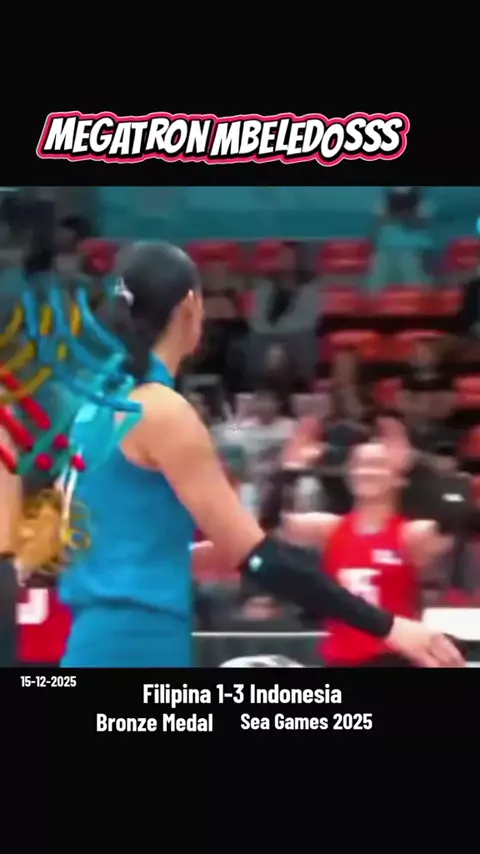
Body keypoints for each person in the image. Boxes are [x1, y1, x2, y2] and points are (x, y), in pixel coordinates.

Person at [8, 241, 463, 667]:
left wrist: (174, 556)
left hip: (94, 640)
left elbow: (83, 547)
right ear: (191, 306)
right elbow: (260, 560)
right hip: (141, 643)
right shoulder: (161, 411)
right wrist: (388, 626)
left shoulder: (95, 408)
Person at [261, 423, 461, 667]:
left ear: (398, 477)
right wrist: (290, 471)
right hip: (341, 660)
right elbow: (271, 523)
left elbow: (458, 516)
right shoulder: (330, 529)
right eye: (360, 464)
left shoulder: (411, 534)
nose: (367, 472)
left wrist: (418, 466)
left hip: (395, 659)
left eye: (378, 464)